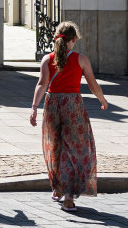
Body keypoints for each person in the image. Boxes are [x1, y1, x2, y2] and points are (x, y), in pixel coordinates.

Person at [29, 20, 108, 212]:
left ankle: (58, 189)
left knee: (56, 147)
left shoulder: (47, 59)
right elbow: (93, 85)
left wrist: (34, 107)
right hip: (73, 106)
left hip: (52, 105)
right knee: (75, 150)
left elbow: (42, 84)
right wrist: (102, 99)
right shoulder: (82, 60)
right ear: (73, 40)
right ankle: (69, 198)